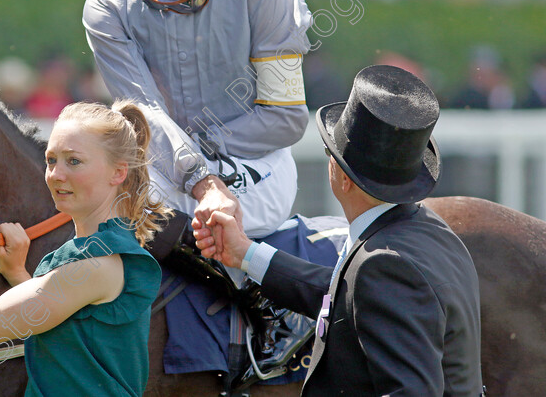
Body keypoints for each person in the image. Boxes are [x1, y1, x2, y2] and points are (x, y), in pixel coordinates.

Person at [82, 0, 317, 381]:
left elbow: (286, 117)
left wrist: (204, 168)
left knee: (166, 213)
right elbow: (143, 114)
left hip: (254, 160)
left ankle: (273, 307)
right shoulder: (107, 8)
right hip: (160, 156)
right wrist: (192, 170)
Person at [196, 65, 483, 395]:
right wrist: (245, 254)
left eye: (329, 152)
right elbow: (348, 297)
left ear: (344, 178)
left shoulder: (384, 266)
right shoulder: (431, 232)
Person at [0, 100, 168, 396]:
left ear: (118, 172)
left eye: (74, 161)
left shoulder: (97, 265)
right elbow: (66, 330)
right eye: (51, 160)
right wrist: (18, 275)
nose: (56, 174)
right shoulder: (95, 256)